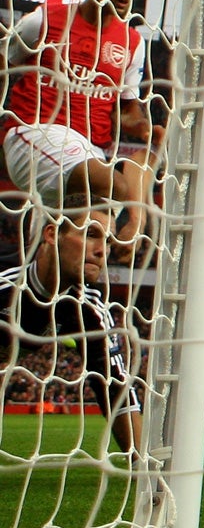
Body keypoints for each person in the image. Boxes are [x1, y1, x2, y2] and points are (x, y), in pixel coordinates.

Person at [1, 0, 163, 251]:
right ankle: (135, 223)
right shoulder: (44, 19)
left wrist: (144, 129)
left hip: (90, 151)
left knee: (65, 257)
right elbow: (4, 63)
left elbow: (125, 110)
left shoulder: (133, 43)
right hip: (35, 134)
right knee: (115, 185)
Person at [0, 194, 141, 457]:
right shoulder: (6, 286)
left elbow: (116, 388)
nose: (102, 251)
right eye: (90, 234)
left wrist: (146, 469)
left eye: (108, 241)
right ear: (52, 234)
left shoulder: (89, 309)